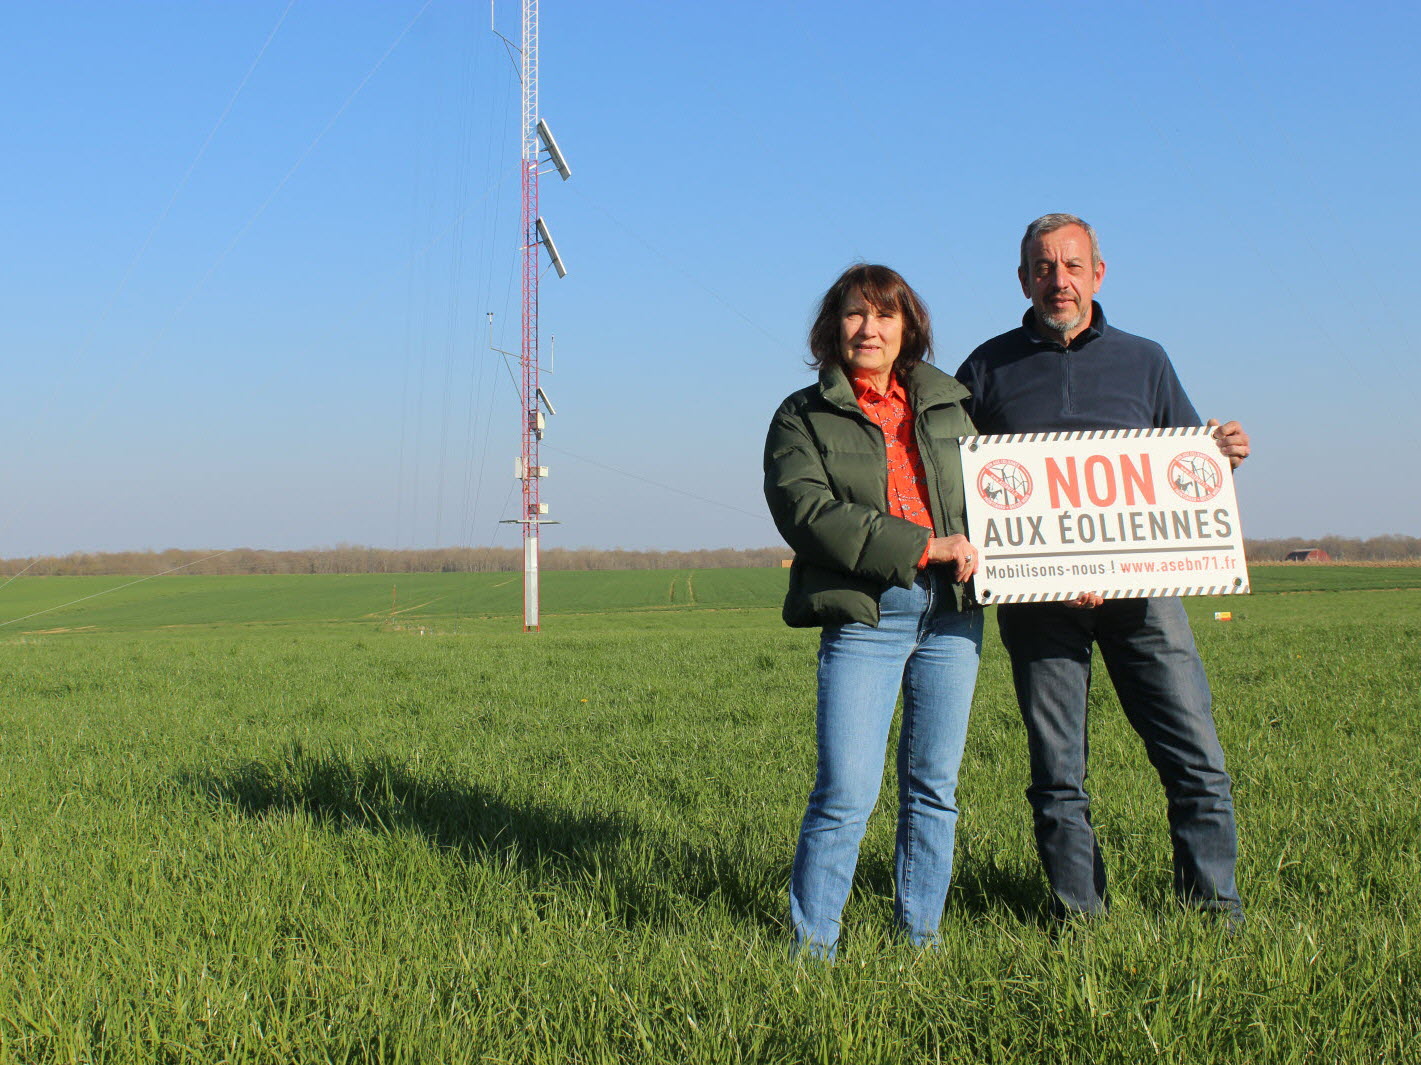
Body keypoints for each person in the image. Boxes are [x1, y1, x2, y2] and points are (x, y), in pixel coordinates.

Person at [954, 213, 1251, 922]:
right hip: (1037, 606)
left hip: (1143, 598)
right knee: (1056, 774)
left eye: (1072, 265)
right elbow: (954, 473)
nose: (1059, 280)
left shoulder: (1145, 359)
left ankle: (1214, 911)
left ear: (1098, 272)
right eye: (1043, 266)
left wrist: (1220, 453)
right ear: (1023, 277)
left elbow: (1184, 466)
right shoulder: (985, 368)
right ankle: (1078, 919)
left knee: (1195, 761)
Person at [764, 263, 984, 958]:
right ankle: (813, 948)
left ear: (906, 327)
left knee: (933, 788)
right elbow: (809, 513)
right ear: (833, 328)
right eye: (855, 315)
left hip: (952, 614)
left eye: (884, 315)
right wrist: (924, 544)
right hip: (866, 614)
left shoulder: (949, 404)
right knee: (845, 791)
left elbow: (1008, 488)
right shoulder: (801, 415)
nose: (869, 328)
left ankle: (919, 937)